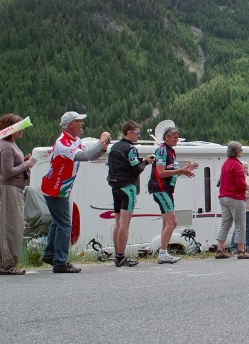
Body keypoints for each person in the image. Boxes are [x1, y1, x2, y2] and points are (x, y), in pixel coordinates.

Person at [41, 111, 111, 273]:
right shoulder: (63, 143)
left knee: (57, 222)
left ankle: (50, 255)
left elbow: (92, 155)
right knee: (65, 225)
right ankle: (60, 262)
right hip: (55, 187)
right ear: (71, 124)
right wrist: (100, 142)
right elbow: (85, 156)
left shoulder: (75, 140)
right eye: (79, 121)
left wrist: (103, 147)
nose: (82, 124)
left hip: (61, 187)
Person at [0, 113, 37, 275]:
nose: (22, 130)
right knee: (11, 225)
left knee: (2, 223)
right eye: (19, 127)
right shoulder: (6, 147)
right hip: (9, 188)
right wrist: (27, 164)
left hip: (7, 188)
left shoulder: (7, 144)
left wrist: (22, 161)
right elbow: (8, 172)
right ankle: (8, 263)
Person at [107, 121, 155, 268]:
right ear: (129, 132)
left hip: (115, 187)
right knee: (125, 224)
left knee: (117, 223)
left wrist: (141, 161)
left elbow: (125, 164)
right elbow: (136, 170)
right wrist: (146, 162)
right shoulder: (131, 148)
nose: (139, 136)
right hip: (128, 188)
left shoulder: (115, 147)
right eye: (137, 133)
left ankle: (117, 255)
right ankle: (121, 257)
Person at [148, 126, 198, 264]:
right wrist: (181, 170)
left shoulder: (171, 151)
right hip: (160, 189)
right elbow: (161, 173)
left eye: (178, 137)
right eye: (175, 137)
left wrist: (186, 170)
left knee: (166, 223)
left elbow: (171, 171)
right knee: (173, 222)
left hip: (167, 190)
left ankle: (164, 252)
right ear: (166, 138)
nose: (177, 140)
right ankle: (162, 253)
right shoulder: (162, 150)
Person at [214, 141, 249, 259]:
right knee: (240, 224)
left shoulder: (225, 163)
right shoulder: (237, 165)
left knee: (225, 223)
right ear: (236, 152)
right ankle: (241, 251)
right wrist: (247, 186)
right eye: (241, 149)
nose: (241, 151)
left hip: (223, 197)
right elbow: (240, 184)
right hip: (235, 197)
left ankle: (219, 249)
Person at [233, 161, 249, 253]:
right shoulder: (237, 179)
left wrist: (248, 190)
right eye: (243, 168)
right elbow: (240, 193)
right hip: (241, 208)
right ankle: (234, 247)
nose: (244, 169)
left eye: (246, 168)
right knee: (239, 228)